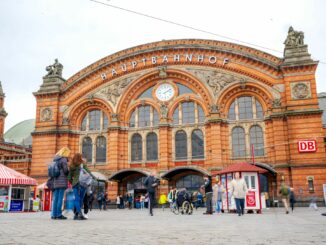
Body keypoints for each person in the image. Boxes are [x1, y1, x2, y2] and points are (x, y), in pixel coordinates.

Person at [68, 153, 93, 220]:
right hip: (83, 183)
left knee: (76, 198)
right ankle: (80, 213)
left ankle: (76, 214)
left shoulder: (71, 166)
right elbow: (89, 173)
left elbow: (69, 177)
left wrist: (72, 182)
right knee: (81, 199)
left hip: (75, 184)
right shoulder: (83, 164)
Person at [51, 147, 70, 220]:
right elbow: (65, 170)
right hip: (62, 181)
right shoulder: (63, 159)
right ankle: (59, 214)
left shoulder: (55, 159)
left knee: (55, 198)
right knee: (60, 199)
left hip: (55, 180)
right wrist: (68, 171)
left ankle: (53, 214)